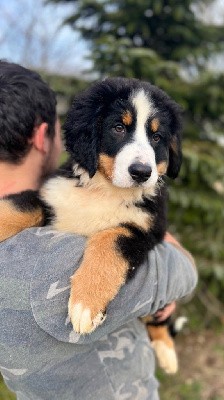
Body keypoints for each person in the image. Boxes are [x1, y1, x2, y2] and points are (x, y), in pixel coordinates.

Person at [0, 60, 197, 400]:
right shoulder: (33, 266)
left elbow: (139, 236)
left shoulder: (143, 204)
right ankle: (161, 330)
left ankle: (161, 332)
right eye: (119, 129)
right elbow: (179, 271)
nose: (142, 160)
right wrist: (173, 254)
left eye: (155, 136)